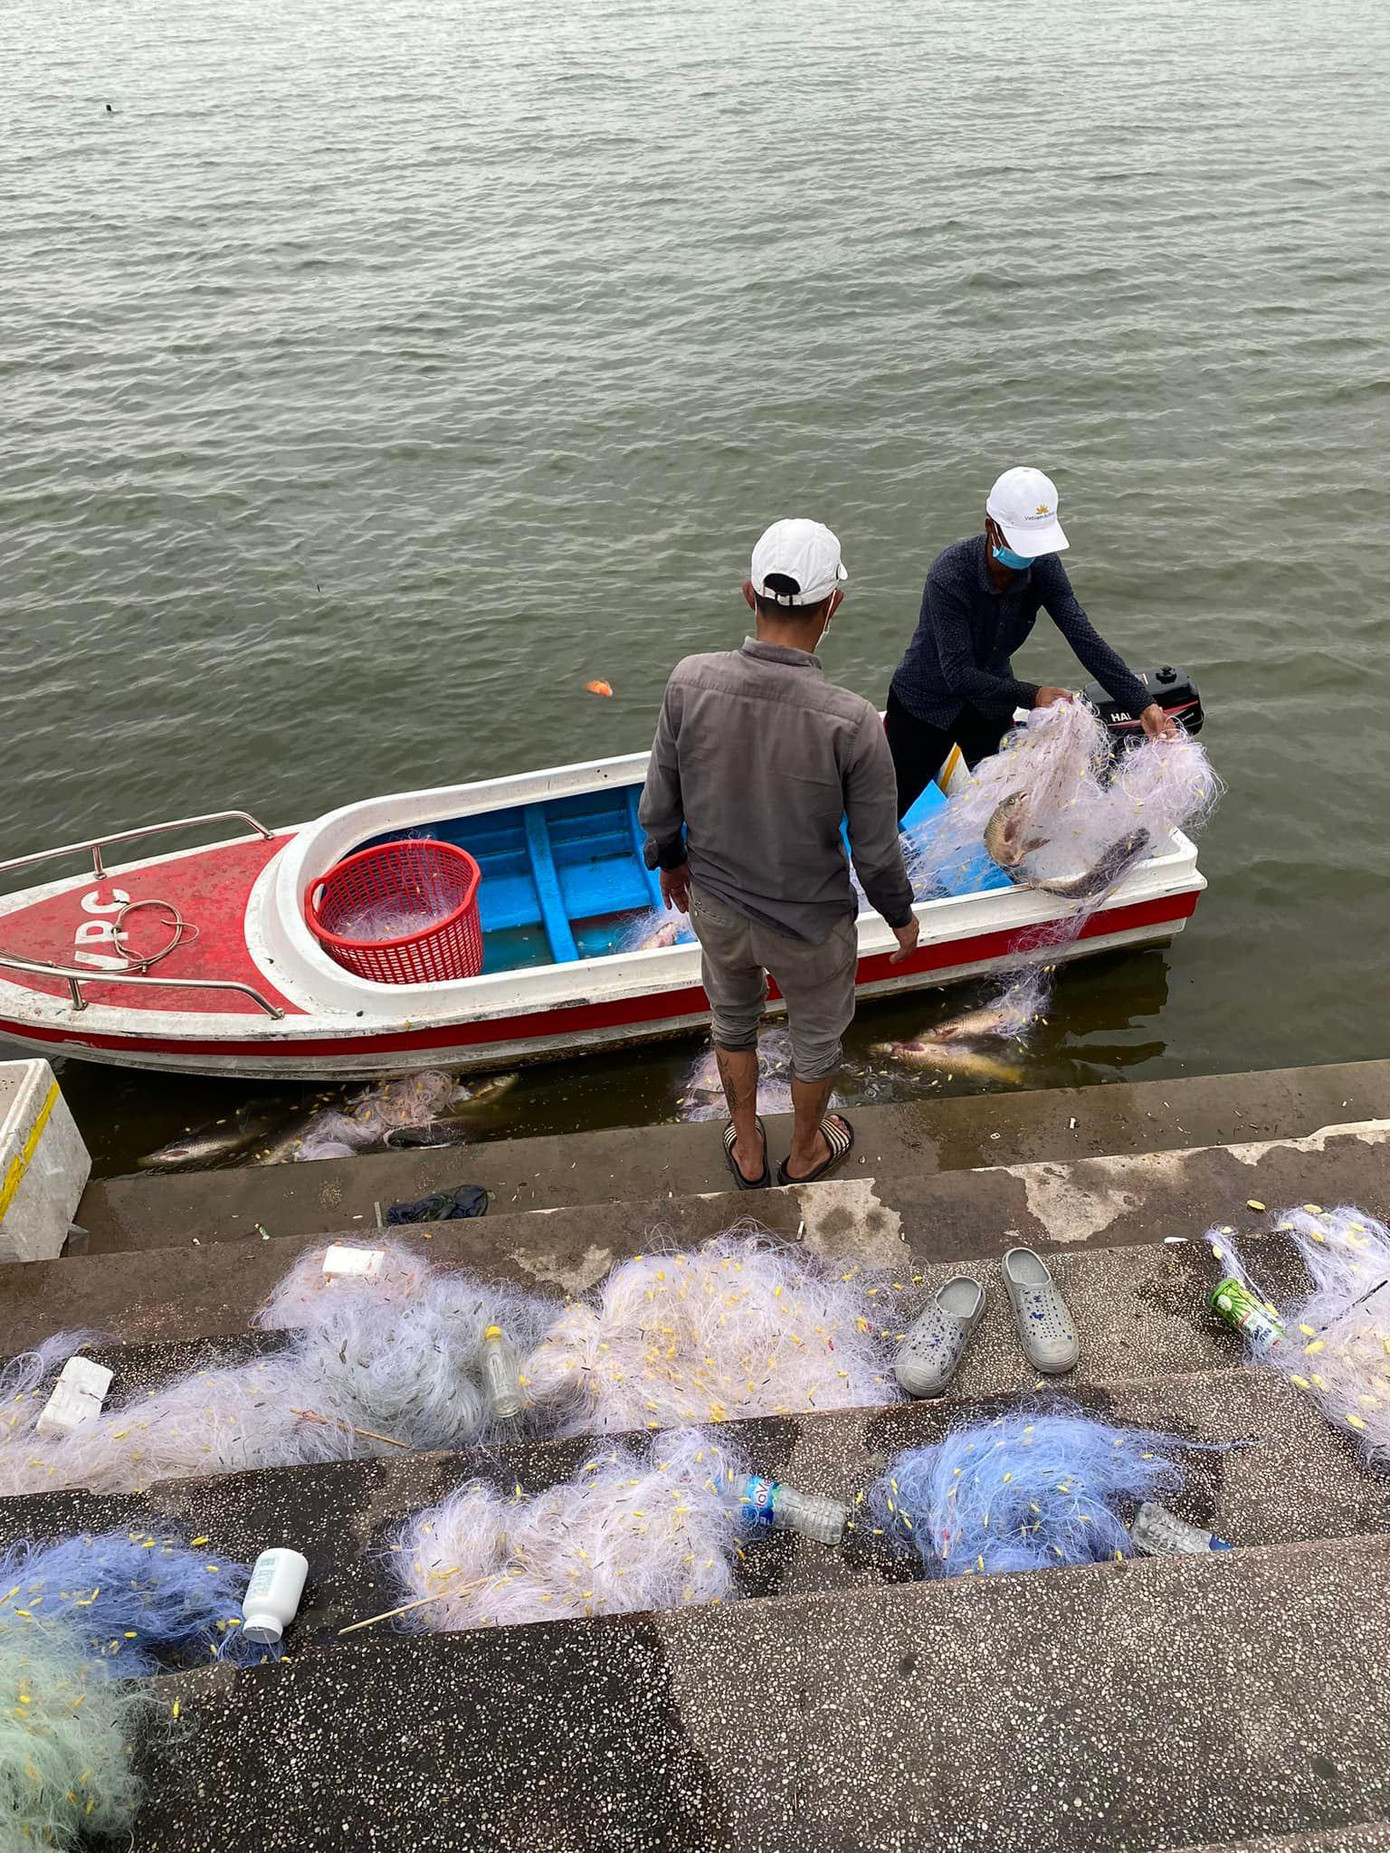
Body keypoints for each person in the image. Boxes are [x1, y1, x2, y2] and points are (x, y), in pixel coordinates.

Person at [639, 518, 919, 1190]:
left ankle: (746, 1148)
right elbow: (876, 853)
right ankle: (804, 1152)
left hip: (717, 907)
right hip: (810, 924)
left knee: (732, 1020)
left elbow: (658, 802)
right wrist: (901, 918)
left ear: (747, 594)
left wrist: (671, 860)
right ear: (833, 606)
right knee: (816, 1037)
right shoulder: (852, 721)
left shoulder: (688, 682)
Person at [885, 466, 1177, 820]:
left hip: (989, 704)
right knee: (891, 805)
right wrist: (1033, 695)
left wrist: (1142, 704)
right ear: (990, 525)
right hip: (924, 703)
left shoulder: (1043, 566)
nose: (1028, 556)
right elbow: (957, 673)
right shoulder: (950, 574)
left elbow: (1084, 638)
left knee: (1006, 805)